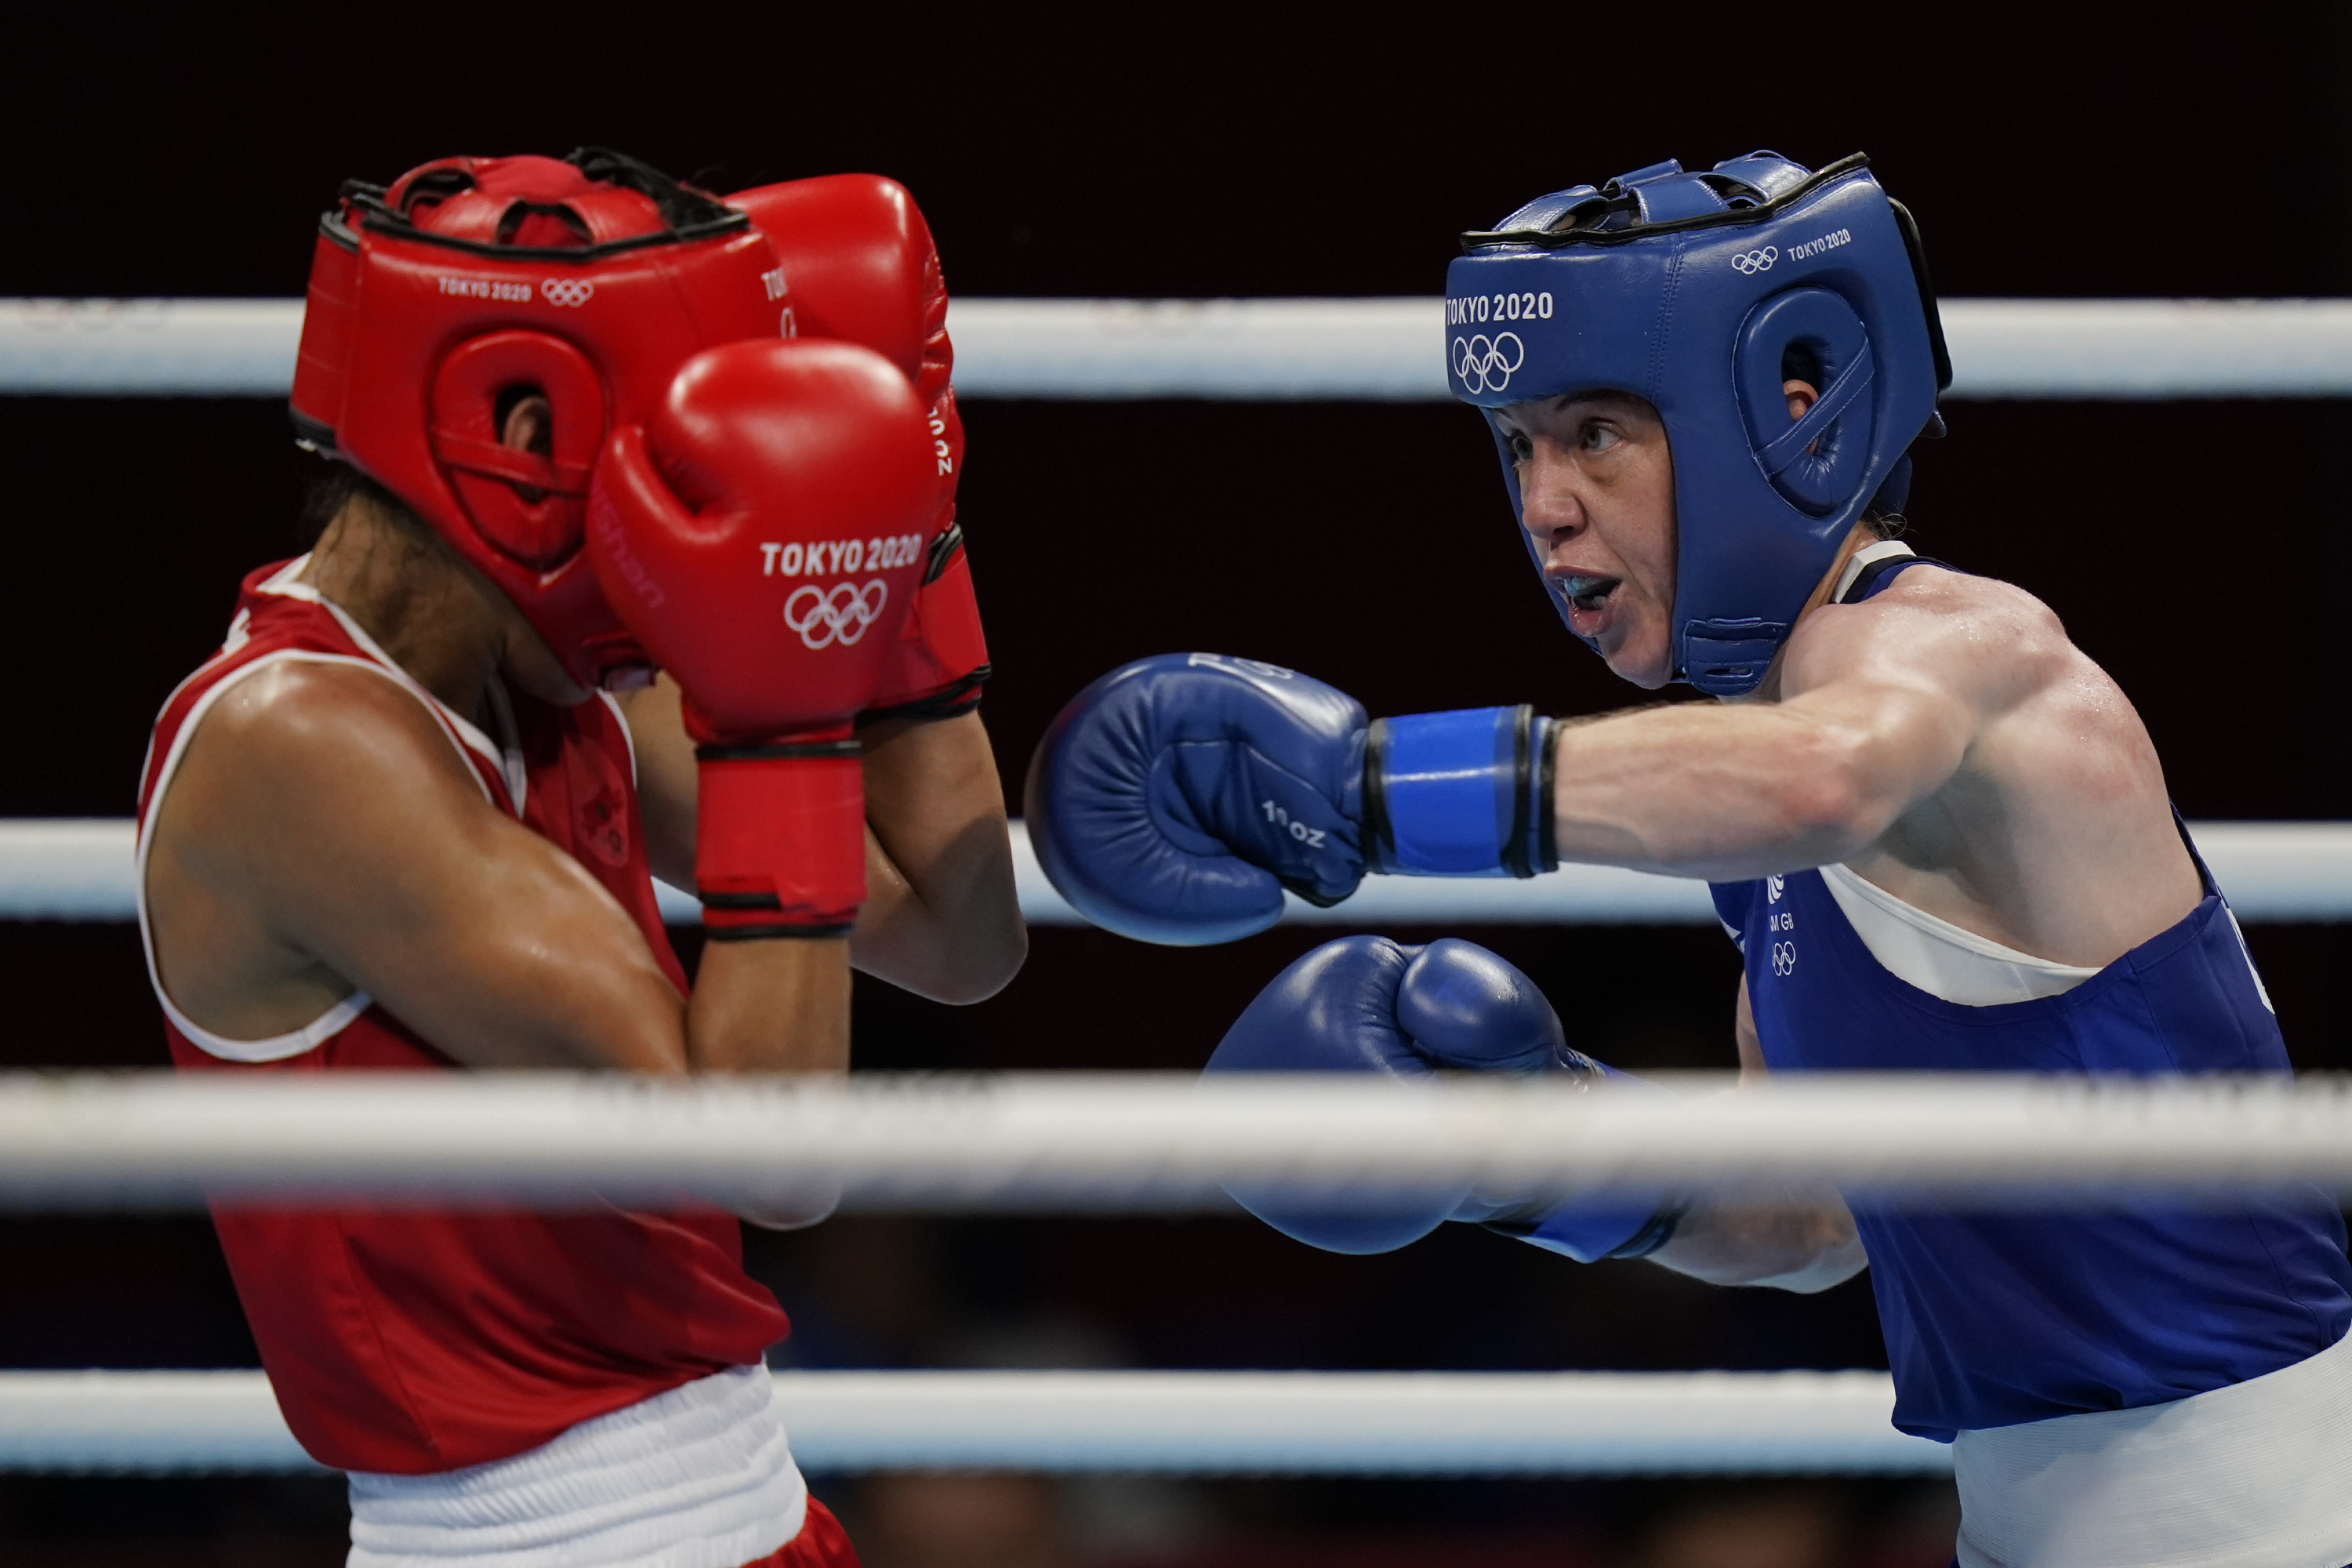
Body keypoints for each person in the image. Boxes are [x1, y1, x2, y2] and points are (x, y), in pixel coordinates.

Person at [1025, 151, 2352, 1563]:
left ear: (1790, 412)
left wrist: (1358, 791)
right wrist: (1518, 1162)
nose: (1543, 506)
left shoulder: (1955, 650)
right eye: (1516, 446)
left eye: (1595, 433)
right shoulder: (1761, 802)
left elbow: (1825, 776)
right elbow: (1809, 1216)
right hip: (2040, 1522)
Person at [137, 150, 1023, 1568]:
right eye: (667, 439)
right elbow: (776, 1158)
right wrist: (783, 715)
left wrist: (909, 543)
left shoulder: (556, 680)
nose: (694, 487)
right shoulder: (298, 742)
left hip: (753, 1500)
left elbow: (957, 936)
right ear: (521, 430)